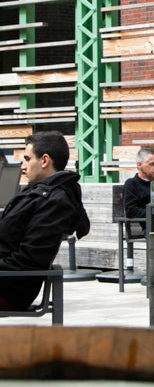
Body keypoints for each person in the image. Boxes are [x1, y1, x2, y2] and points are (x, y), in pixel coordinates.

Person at [0, 131, 91, 310]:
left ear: (44, 160)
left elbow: (27, 260)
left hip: (8, 290)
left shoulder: (55, 202)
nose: (22, 167)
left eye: (27, 159)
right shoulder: (40, 192)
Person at [122, 147, 154, 232]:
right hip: (153, 227)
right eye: (152, 164)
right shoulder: (132, 184)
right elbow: (130, 211)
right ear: (139, 165)